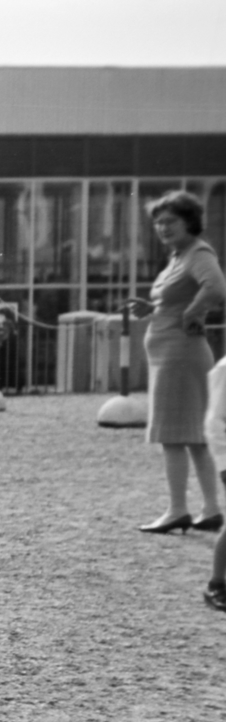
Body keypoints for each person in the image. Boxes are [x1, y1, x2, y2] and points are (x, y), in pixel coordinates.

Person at [132, 190, 226, 535]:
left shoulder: (197, 252)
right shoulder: (180, 256)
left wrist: (193, 312)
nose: (162, 228)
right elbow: (184, 295)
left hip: (179, 356)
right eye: (157, 222)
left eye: (170, 221)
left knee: (173, 435)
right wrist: (154, 309)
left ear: (190, 221)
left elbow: (216, 287)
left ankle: (177, 510)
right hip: (173, 354)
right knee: (193, 435)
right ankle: (211, 508)